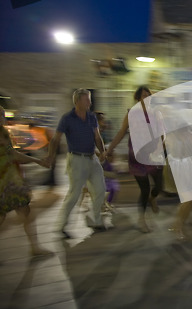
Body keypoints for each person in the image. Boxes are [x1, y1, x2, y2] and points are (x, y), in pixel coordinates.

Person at [46, 89, 108, 238]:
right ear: (77, 102)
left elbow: (97, 137)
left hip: (92, 157)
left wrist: (103, 152)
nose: (90, 102)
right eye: (87, 100)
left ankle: (96, 220)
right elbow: (55, 139)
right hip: (76, 159)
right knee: (74, 194)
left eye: (89, 99)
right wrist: (50, 156)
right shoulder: (67, 118)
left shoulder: (92, 117)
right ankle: (61, 225)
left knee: (100, 189)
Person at [104, 86, 163, 233]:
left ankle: (152, 198)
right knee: (144, 189)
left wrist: (160, 148)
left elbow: (162, 133)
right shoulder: (131, 114)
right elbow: (121, 132)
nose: (147, 97)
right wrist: (110, 149)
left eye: (149, 95)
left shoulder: (156, 114)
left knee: (159, 186)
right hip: (137, 155)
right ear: (138, 98)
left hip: (153, 154)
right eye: (144, 95)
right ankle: (142, 219)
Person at [0, 106, 51, 255]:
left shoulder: (4, 133)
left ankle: (35, 248)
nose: (3, 117)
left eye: (3, 115)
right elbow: (13, 155)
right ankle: (35, 248)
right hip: (5, 182)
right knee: (7, 215)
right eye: (0, 115)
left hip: (11, 181)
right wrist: (37, 161)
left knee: (25, 212)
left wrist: (36, 161)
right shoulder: (2, 134)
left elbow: (14, 155)